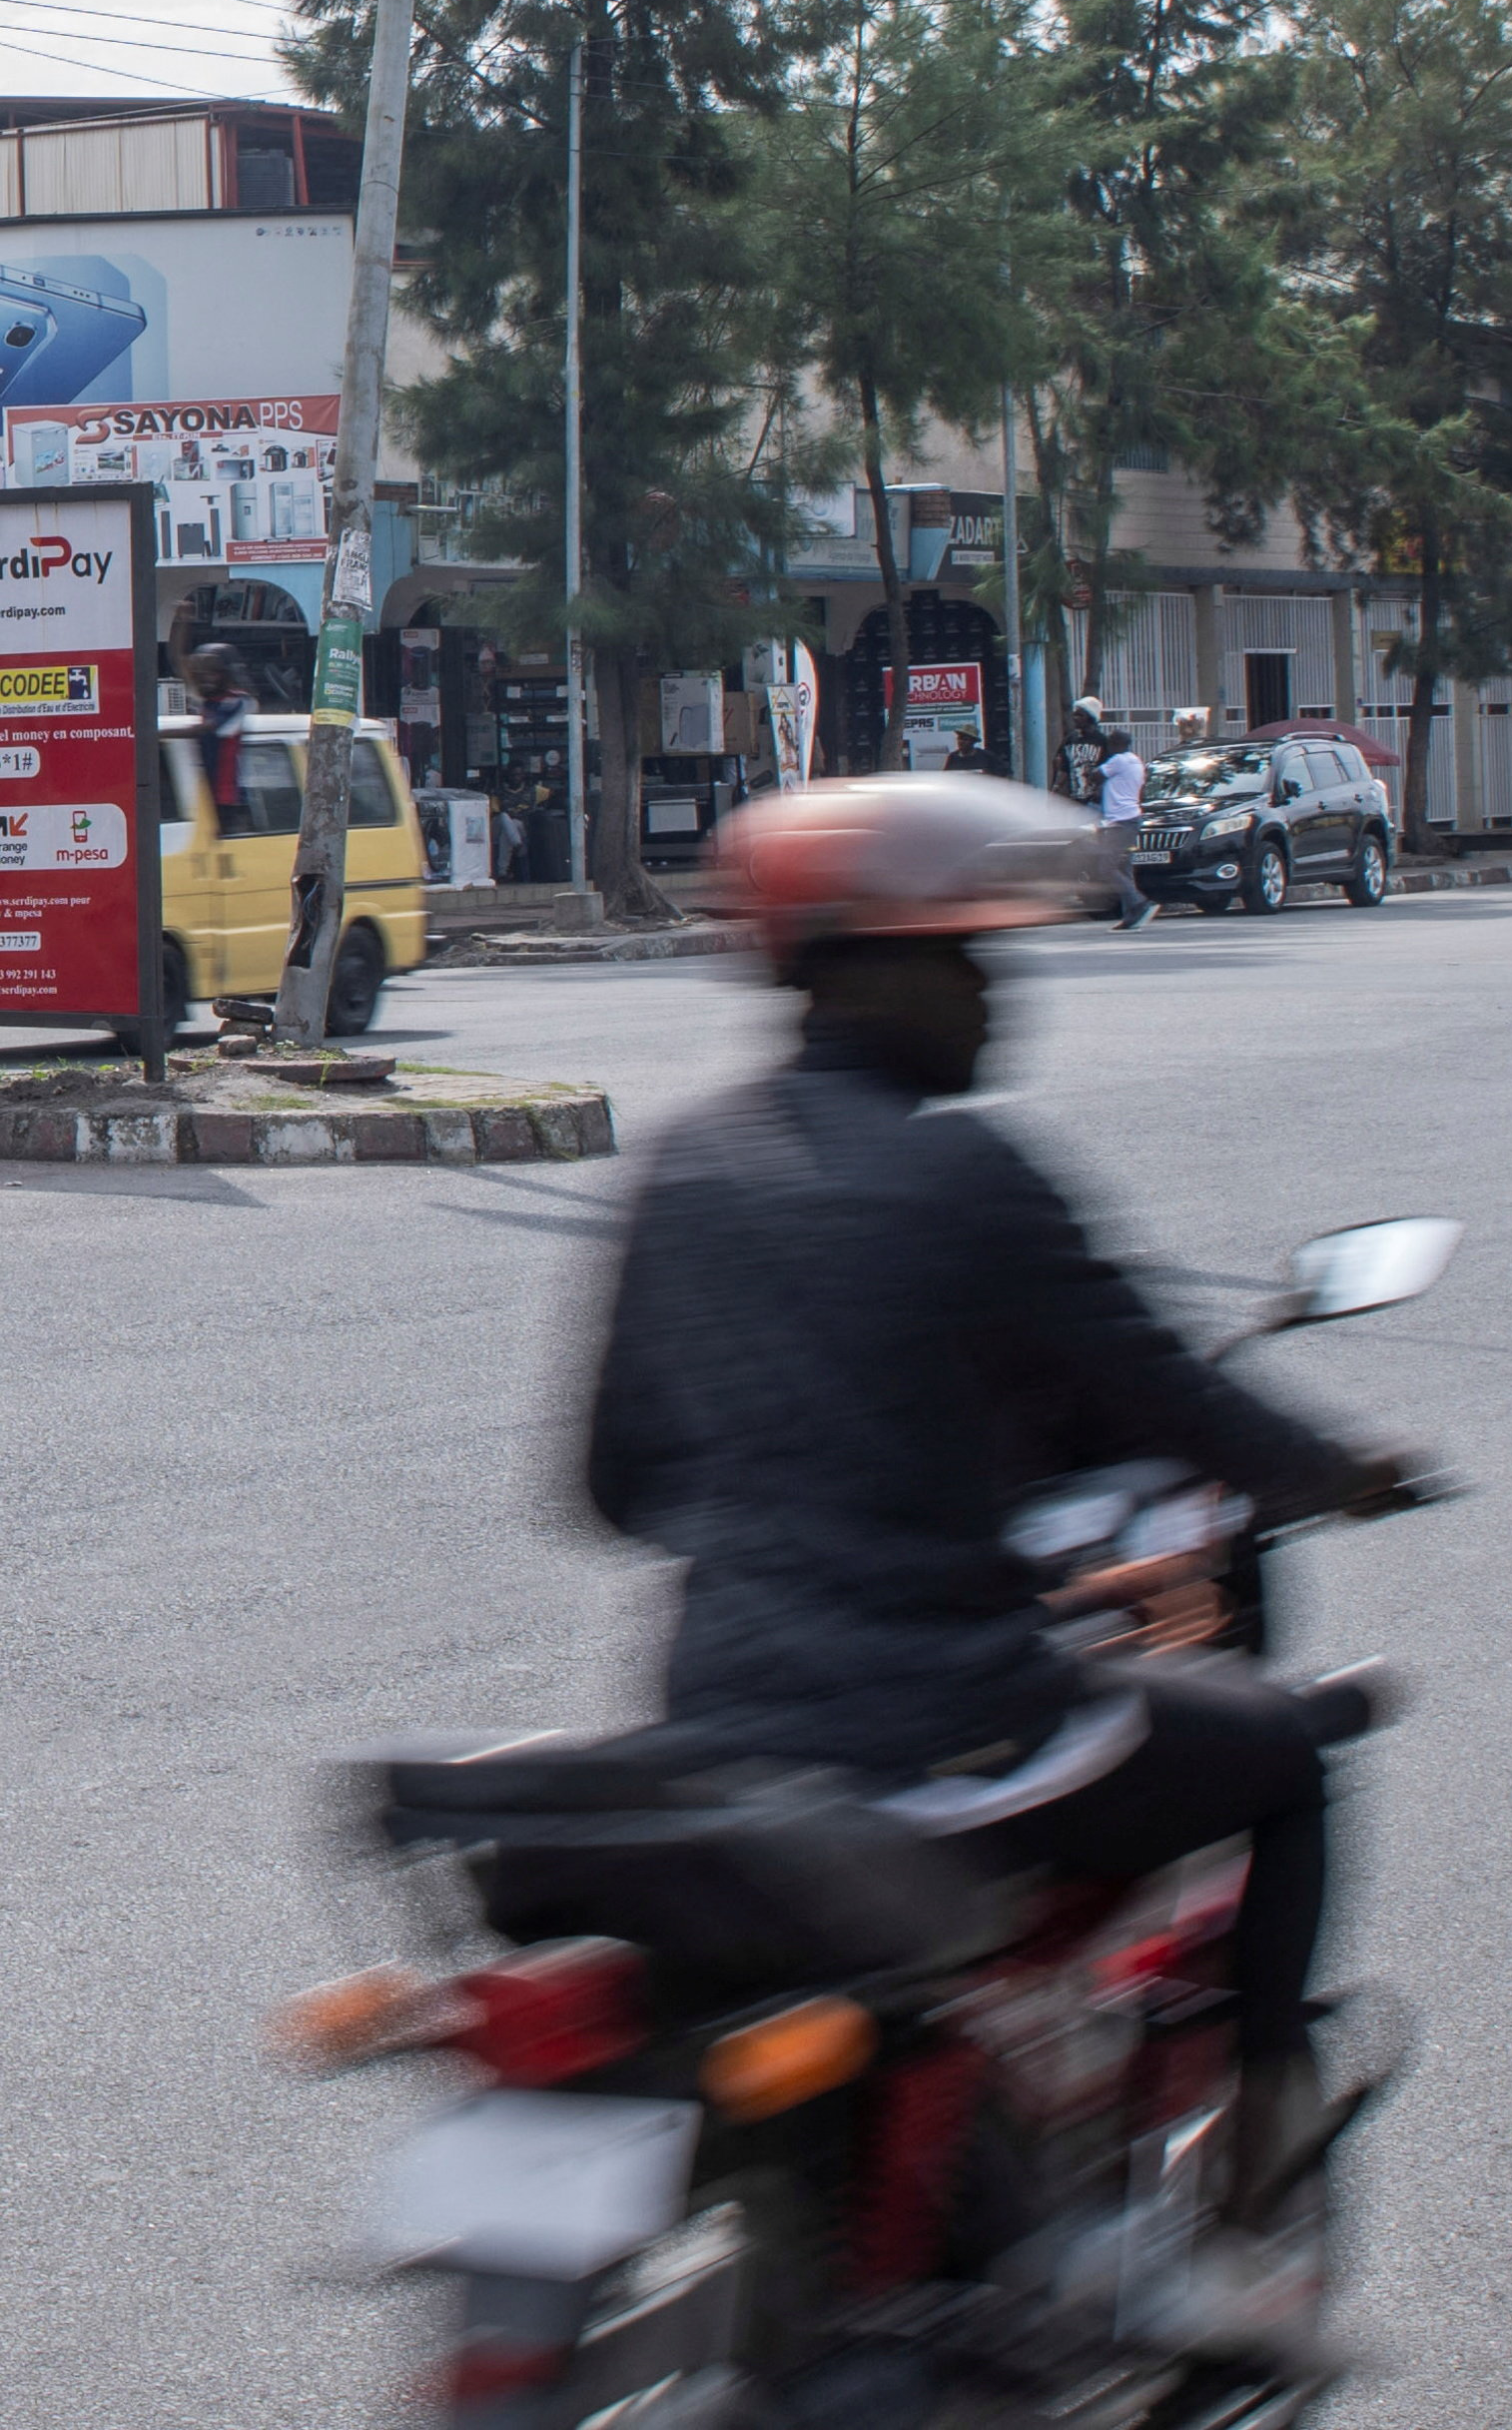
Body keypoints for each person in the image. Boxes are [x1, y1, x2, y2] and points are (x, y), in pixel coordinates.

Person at [585, 772, 1413, 2222]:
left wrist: (801, 1508)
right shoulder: (966, 1170)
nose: (992, 994)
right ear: (864, 970)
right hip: (946, 1725)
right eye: (960, 958)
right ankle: (1273, 2107)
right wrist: (1346, 1470)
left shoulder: (687, 1163)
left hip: (714, 1721)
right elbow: (1175, 1398)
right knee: (1287, 1749)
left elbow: (613, 1484)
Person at [1093, 719, 1152, 929]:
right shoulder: (1136, 761)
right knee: (1124, 867)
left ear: (1115, 745)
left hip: (1120, 821)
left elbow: (1096, 775)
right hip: (1131, 818)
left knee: (1106, 867)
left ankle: (1139, 901)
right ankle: (1131, 916)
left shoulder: (1118, 761)